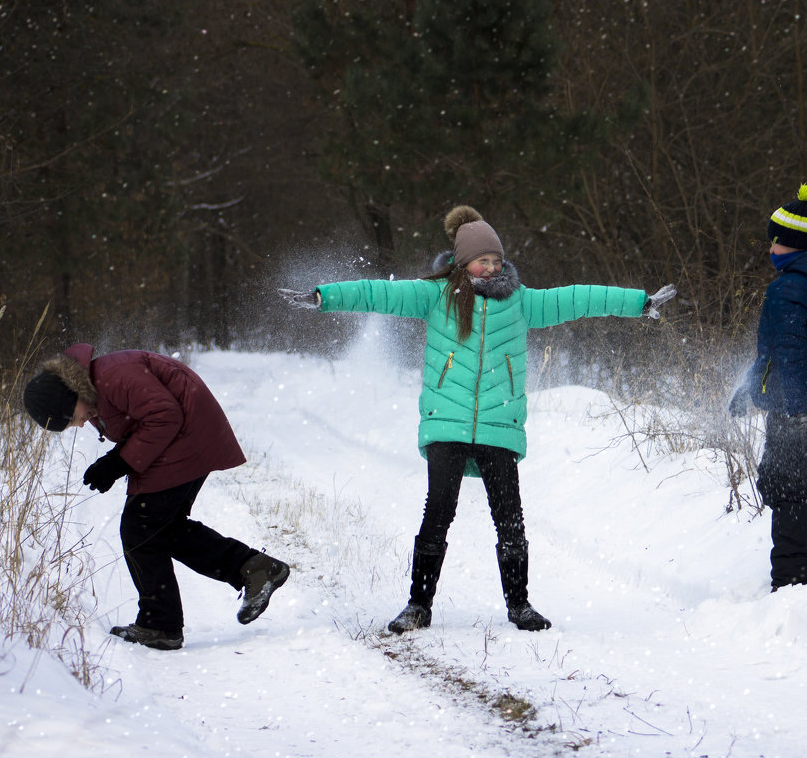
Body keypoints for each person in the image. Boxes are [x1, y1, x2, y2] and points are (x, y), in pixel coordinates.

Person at [279, 205, 675, 633]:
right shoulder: (435, 295)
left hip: (498, 426)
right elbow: (380, 293)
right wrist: (325, 297)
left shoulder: (522, 303)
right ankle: (418, 605)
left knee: (510, 519)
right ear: (463, 261)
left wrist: (639, 303)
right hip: (447, 422)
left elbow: (579, 297)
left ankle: (519, 605)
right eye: (482, 260)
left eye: (496, 260)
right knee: (437, 514)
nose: (490, 266)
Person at [22, 344, 290, 650]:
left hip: (187, 435)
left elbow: (164, 416)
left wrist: (118, 462)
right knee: (161, 527)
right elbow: (142, 421)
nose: (80, 424)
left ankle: (161, 624)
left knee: (141, 527)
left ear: (71, 396)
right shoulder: (96, 388)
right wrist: (114, 460)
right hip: (184, 436)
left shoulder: (112, 377)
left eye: (72, 418)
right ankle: (252, 569)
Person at [729, 183, 807, 591]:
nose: (770, 249)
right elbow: (781, 355)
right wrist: (749, 386)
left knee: (782, 486)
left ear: (793, 245)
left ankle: (793, 579)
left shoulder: (788, 289)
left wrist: (793, 407)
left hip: (795, 406)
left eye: (775, 242)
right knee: (786, 486)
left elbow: (791, 352)